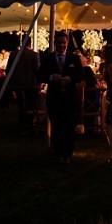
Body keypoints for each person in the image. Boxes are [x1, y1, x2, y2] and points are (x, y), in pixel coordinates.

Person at [36, 31, 84, 164]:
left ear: (67, 43)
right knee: (56, 126)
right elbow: (40, 75)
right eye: (59, 42)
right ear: (54, 43)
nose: (61, 45)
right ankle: (58, 153)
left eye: (63, 42)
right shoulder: (48, 58)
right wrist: (51, 77)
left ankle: (67, 154)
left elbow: (81, 75)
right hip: (54, 97)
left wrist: (70, 78)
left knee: (69, 126)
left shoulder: (74, 58)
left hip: (70, 97)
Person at [7, 39, 40, 128]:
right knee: (30, 103)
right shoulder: (34, 54)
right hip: (30, 83)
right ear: (30, 44)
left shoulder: (13, 54)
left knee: (21, 103)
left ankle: (22, 122)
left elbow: (8, 69)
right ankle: (28, 122)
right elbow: (37, 69)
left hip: (17, 82)